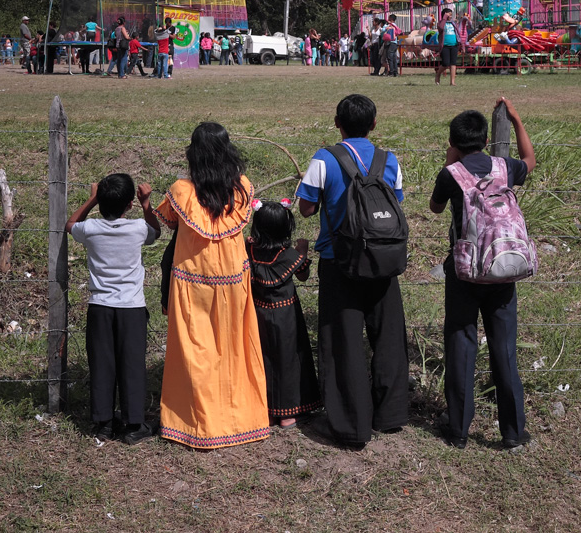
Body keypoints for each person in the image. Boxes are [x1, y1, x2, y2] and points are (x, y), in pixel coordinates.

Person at [296, 95, 409, 449]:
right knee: (389, 338)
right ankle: (390, 416)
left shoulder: (324, 159)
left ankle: (351, 426)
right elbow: (396, 203)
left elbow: (306, 210)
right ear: (374, 124)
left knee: (343, 344)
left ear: (336, 122)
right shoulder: (388, 160)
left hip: (339, 262)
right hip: (383, 262)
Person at [154, 122, 269, 449]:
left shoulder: (181, 191)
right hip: (233, 280)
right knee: (235, 348)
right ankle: (240, 420)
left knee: (195, 351)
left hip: (192, 281)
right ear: (228, 149)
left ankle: (198, 425)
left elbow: (170, 223)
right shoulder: (242, 187)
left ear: (194, 153)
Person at [428, 99, 536, 450]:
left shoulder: (452, 174)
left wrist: (449, 162)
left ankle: (458, 431)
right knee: (504, 349)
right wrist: (517, 121)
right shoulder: (504, 167)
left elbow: (435, 207)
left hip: (464, 271)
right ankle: (513, 432)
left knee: (461, 345)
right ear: (486, 140)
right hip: (502, 268)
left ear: (455, 143)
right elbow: (530, 162)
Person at [67, 173, 161, 445]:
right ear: (129, 204)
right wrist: (147, 205)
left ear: (100, 204)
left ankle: (104, 424)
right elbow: (155, 232)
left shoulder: (91, 229)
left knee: (102, 364)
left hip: (100, 308)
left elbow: (70, 224)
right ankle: (134, 425)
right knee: (132, 364)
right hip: (131, 308)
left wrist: (91, 199)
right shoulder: (137, 229)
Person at [246, 199, 322, 429]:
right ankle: (288, 414)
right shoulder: (289, 255)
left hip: (257, 314)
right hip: (286, 316)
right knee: (289, 361)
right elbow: (302, 275)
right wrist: (303, 250)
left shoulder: (249, 250)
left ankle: (266, 412)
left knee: (263, 359)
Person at [434, 8, 462, 86]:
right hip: (445, 46)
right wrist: (444, 18)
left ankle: (452, 82)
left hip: (454, 45)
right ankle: (438, 74)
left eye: (450, 14)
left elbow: (458, 34)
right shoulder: (441, 23)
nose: (450, 15)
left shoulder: (453, 23)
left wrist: (461, 45)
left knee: (453, 63)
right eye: (449, 14)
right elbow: (441, 28)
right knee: (445, 63)